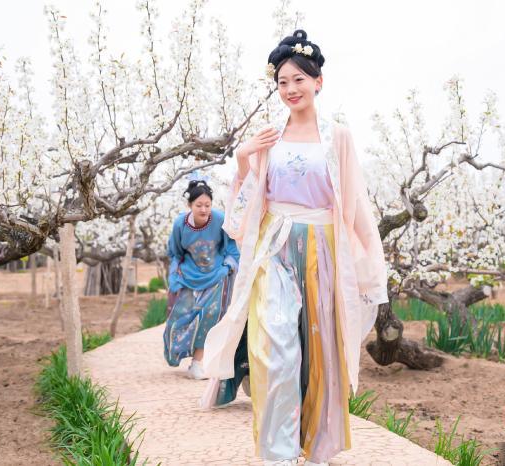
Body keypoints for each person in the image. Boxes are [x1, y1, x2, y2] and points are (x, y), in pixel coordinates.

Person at [201, 30, 388, 466]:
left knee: (321, 350)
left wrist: (369, 261)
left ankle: (316, 446)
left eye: (299, 80)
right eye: (282, 82)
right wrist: (244, 158)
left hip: (323, 246)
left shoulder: (337, 136)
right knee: (275, 345)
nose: (290, 89)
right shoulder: (269, 136)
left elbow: (355, 201)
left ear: (318, 82)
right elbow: (248, 206)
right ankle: (278, 452)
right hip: (276, 246)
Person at [163, 180, 241, 380]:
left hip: (216, 276)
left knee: (210, 316)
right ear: (190, 205)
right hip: (189, 277)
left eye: (207, 205)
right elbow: (175, 252)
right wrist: (175, 277)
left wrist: (226, 268)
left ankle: (197, 363)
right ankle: (177, 353)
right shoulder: (180, 224)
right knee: (179, 318)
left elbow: (231, 247)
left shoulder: (220, 219)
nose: (204, 209)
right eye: (199, 205)